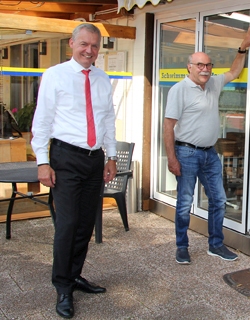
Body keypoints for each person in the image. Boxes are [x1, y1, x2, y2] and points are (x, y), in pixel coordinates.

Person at [31, 23, 117, 319]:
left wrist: (112, 156)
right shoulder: (54, 75)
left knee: (85, 224)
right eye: (84, 44)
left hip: (95, 160)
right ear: (72, 43)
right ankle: (63, 286)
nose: (89, 50)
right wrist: (43, 161)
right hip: (65, 158)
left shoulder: (104, 79)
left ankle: (75, 275)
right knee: (67, 224)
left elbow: (108, 120)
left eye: (94, 46)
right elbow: (41, 122)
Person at [164, 25, 250, 265]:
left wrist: (242, 49)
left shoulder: (214, 84)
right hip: (185, 153)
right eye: (200, 65)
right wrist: (171, 158)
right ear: (189, 67)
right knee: (185, 202)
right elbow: (168, 126)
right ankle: (181, 246)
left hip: (210, 154)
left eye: (208, 65)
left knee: (218, 199)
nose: (205, 69)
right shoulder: (179, 90)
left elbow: (235, 71)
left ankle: (215, 245)